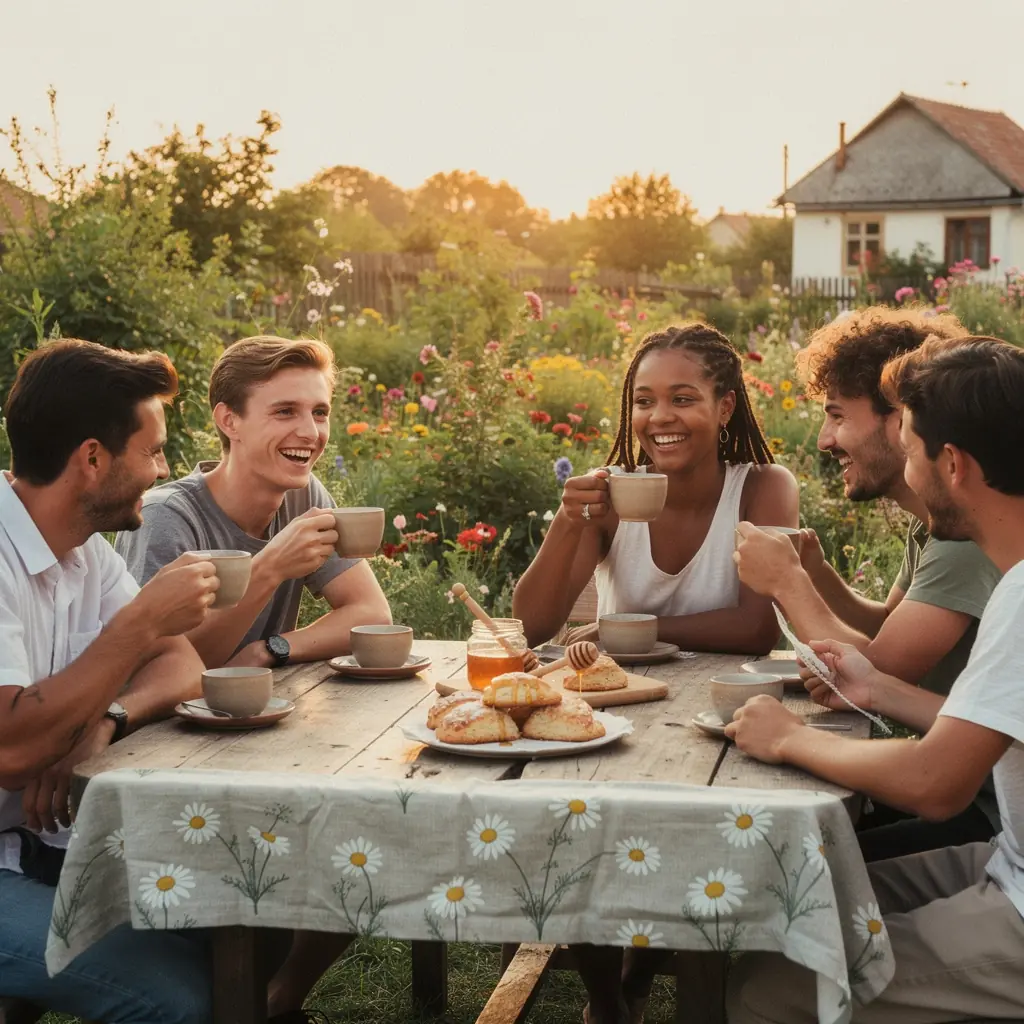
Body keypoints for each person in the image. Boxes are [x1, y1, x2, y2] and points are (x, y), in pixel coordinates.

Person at [727, 336, 1024, 1024]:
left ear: (953, 464)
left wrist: (788, 741)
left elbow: (936, 785)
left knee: (767, 991)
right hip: (1006, 857)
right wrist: (877, 690)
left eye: (911, 442)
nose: (907, 462)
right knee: (795, 901)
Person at [0, 339, 218, 1023]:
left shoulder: (82, 551)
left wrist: (102, 722)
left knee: (237, 913)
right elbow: (10, 749)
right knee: (179, 1000)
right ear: (92, 459)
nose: (165, 468)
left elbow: (182, 665)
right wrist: (137, 624)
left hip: (43, 842)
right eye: (152, 451)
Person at [733, 307, 1001, 859]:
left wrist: (788, 583)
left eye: (837, 416)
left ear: (898, 418)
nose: (825, 439)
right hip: (973, 784)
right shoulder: (934, 527)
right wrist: (817, 575)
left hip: (988, 809)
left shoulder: (966, 541)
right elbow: (886, 630)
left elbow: (883, 668)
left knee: (799, 857)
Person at [514, 322, 798, 654]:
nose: (660, 417)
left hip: (730, 700)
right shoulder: (607, 493)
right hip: (618, 697)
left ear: (725, 407)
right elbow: (528, 631)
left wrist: (629, 629)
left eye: (682, 399)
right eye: (644, 401)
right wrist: (567, 521)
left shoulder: (764, 488)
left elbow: (758, 629)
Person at [116, 335, 392, 670]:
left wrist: (271, 649)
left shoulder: (302, 496)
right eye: (285, 411)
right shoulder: (165, 518)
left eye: (319, 412)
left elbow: (372, 613)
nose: (310, 432)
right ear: (229, 421)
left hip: (264, 712)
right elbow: (155, 670)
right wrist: (270, 567)